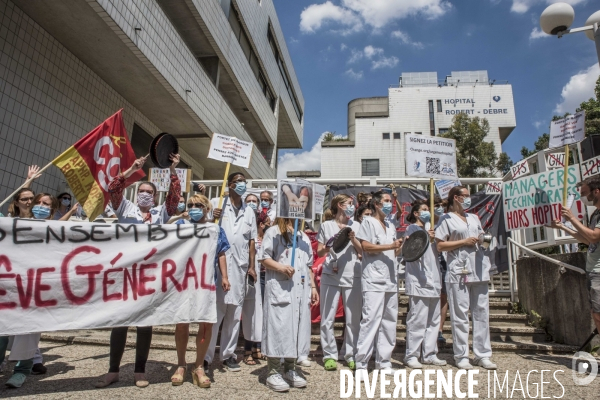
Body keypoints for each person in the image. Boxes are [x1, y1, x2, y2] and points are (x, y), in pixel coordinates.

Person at [95, 153, 181, 389]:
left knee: (145, 324)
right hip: (124, 275)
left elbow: (175, 198)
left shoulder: (160, 213)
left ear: (154, 197)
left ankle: (140, 371)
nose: (145, 194)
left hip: (149, 276)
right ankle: (113, 371)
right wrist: (131, 169)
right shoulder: (125, 208)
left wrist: (173, 171)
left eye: (149, 192)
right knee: (120, 323)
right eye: (142, 191)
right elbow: (113, 187)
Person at [0, 192, 62, 388]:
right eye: (39, 202)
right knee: (2, 329)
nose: (41, 206)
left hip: (34, 288)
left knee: (28, 330)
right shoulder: (13, 224)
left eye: (46, 204)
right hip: (8, 286)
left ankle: (22, 370)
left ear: (51, 210)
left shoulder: (53, 230)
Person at [170, 194, 231, 388]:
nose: (194, 207)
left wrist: (225, 277)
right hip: (182, 281)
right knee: (181, 323)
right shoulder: (180, 225)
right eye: (191, 205)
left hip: (206, 282)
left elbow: (221, 253)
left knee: (206, 325)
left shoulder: (215, 229)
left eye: (198, 205)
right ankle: (181, 365)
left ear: (206, 208)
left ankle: (198, 366)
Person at [435, 186, 496, 370]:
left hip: (478, 268)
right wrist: (463, 242)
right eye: (466, 196)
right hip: (458, 271)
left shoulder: (474, 218)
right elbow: (440, 246)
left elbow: (479, 235)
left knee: (481, 313)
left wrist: (482, 238)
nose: (469, 199)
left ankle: (482, 354)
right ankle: (461, 356)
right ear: (456, 198)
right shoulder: (446, 219)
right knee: (460, 315)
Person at [204, 172, 257, 373]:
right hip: (218, 267)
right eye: (238, 181)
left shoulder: (249, 211)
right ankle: (207, 356)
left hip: (241, 268)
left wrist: (251, 266)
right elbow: (203, 228)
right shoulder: (217, 203)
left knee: (234, 315)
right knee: (215, 315)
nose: (242, 184)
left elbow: (251, 240)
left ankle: (228, 355)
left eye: (244, 181)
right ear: (230, 184)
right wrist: (211, 217)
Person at [260, 217, 319, 392]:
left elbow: (309, 265)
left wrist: (313, 286)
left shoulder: (303, 236)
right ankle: (273, 371)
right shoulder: (273, 232)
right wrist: (281, 267)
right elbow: (263, 258)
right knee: (279, 327)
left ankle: (290, 368)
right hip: (280, 288)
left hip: (300, 290)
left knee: (297, 328)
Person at [354, 191, 403, 373]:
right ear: (376, 204)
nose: (390, 204)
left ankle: (384, 361)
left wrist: (399, 246)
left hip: (390, 277)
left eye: (391, 201)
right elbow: (366, 247)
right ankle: (361, 363)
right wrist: (390, 246)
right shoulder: (368, 222)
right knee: (371, 320)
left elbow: (392, 252)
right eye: (386, 201)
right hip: (374, 278)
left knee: (389, 320)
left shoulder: (390, 225)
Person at [317, 194, 363, 371]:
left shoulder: (357, 226)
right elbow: (320, 252)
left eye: (353, 204)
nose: (352, 207)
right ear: (339, 205)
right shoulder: (326, 225)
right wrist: (331, 245)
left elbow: (362, 251)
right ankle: (329, 355)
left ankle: (350, 354)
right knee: (327, 318)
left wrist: (353, 239)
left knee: (353, 319)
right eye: (349, 204)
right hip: (331, 274)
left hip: (353, 275)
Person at [551, 177, 600, 338]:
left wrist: (572, 218)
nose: (583, 198)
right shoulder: (595, 215)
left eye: (585, 193)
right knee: (596, 314)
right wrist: (563, 226)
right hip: (592, 270)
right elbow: (587, 240)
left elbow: (593, 236)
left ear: (596, 191)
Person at [403, 200, 445, 369]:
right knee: (417, 319)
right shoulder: (412, 229)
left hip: (434, 278)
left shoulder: (432, 230)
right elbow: (413, 248)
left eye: (429, 209)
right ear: (416, 214)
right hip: (418, 279)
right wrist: (428, 237)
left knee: (433, 320)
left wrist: (434, 237)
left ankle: (429, 353)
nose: (429, 212)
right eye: (425, 210)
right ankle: (411, 354)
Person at [242, 210, 269, 366]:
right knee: (251, 314)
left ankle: (258, 347)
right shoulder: (251, 240)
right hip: (252, 278)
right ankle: (247, 349)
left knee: (263, 313)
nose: (268, 225)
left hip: (266, 278)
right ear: (260, 224)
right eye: (266, 222)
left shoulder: (267, 238)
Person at [435, 199, 450, 345]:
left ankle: (439, 330)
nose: (440, 208)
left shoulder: (447, 220)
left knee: (443, 295)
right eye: (436, 206)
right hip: (430, 263)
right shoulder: (425, 224)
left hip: (445, 261)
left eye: (442, 206)